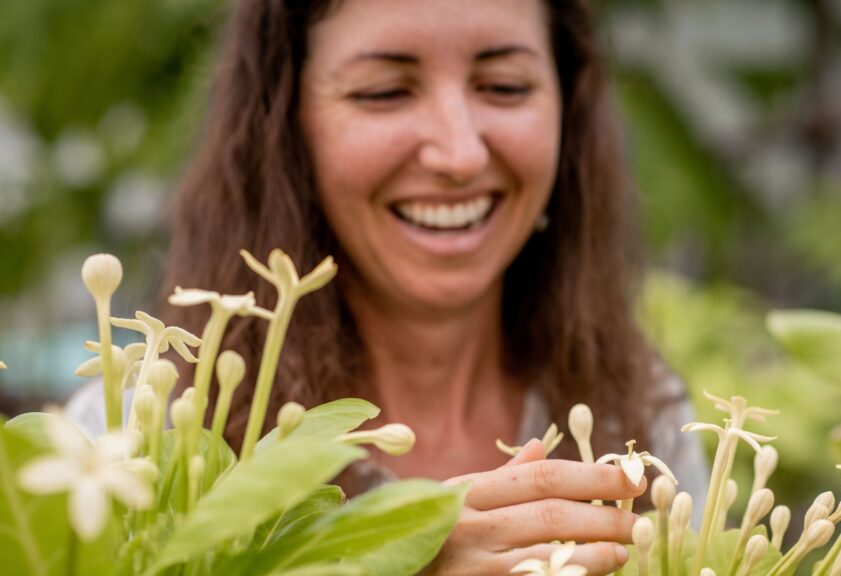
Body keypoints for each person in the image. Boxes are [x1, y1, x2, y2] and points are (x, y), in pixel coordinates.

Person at [69, 0, 708, 573]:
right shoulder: (135, 429)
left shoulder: (645, 426)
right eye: (384, 92)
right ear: (286, 126)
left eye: (505, 87)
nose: (459, 154)